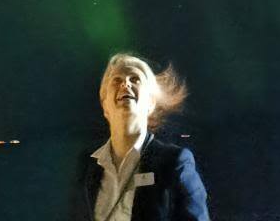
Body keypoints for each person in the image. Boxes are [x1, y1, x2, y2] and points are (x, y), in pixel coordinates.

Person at [69, 52, 210, 220]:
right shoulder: (87, 167)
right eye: (117, 80)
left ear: (151, 104)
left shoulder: (174, 163)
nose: (125, 84)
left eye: (135, 79)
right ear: (105, 106)